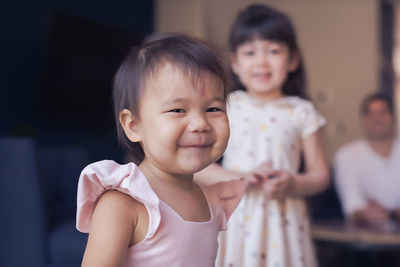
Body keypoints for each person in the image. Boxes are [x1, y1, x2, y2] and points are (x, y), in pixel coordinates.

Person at [75, 33, 249, 266]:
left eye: (213, 109)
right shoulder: (123, 203)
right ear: (133, 125)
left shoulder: (212, 200)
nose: (200, 124)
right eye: (177, 110)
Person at [195, 4, 329, 267]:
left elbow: (320, 175)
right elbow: (198, 168)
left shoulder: (302, 111)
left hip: (285, 222)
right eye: (250, 52)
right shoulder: (226, 105)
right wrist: (242, 177)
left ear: (292, 60)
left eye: (274, 50)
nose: (261, 61)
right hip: (235, 219)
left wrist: (293, 184)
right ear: (235, 62)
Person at [334, 93, 400, 227]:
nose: (377, 119)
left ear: (393, 116)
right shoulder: (346, 155)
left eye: (383, 112)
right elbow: (352, 206)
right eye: (370, 113)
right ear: (363, 119)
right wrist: (368, 214)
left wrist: (391, 214)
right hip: (367, 239)